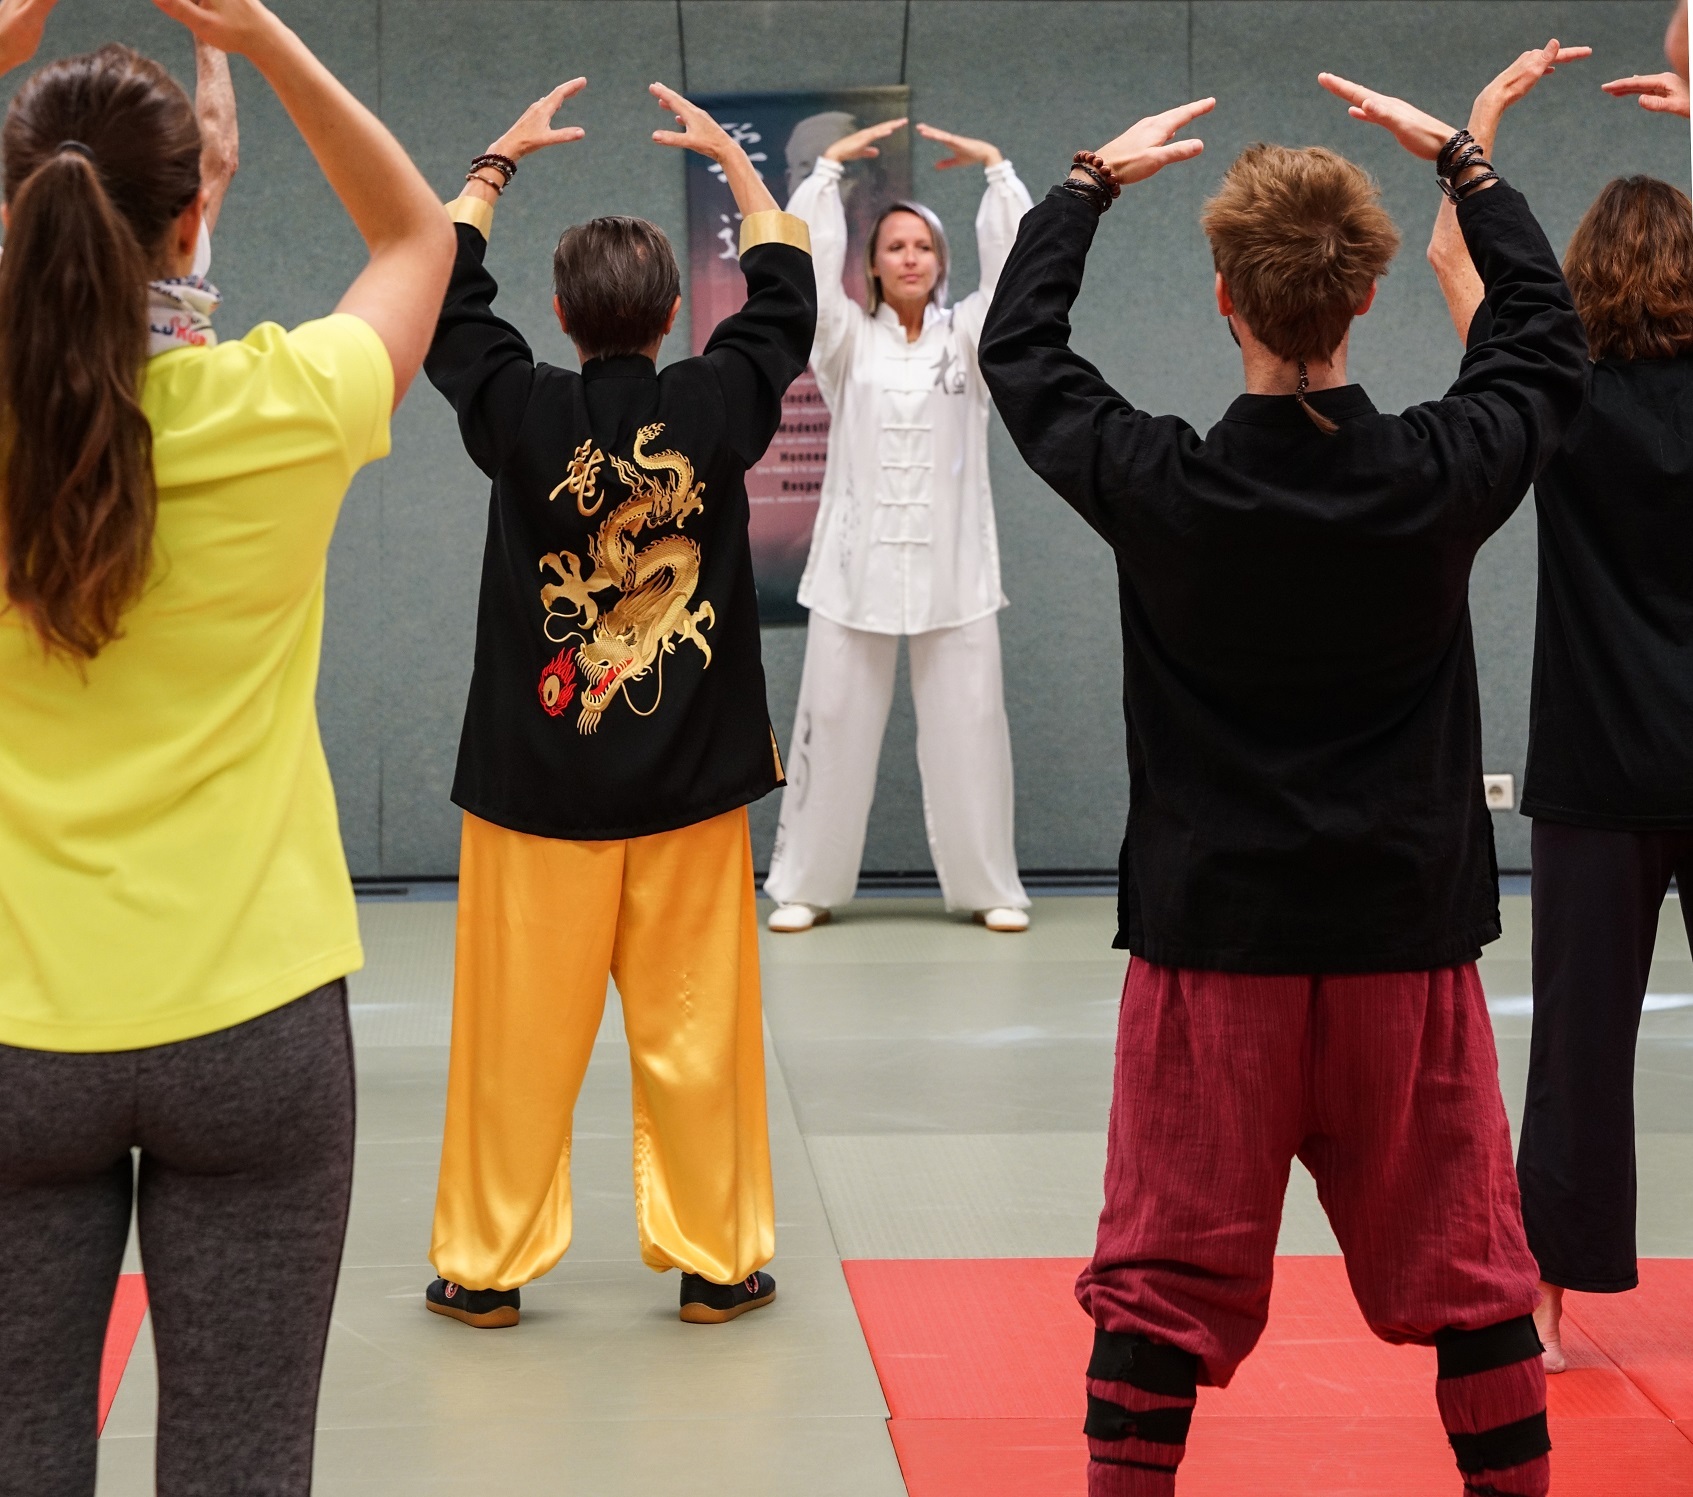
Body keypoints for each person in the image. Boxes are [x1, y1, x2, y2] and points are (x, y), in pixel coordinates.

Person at [980, 44, 1590, 1497]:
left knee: (1155, 1286)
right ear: (1368, 295)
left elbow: (1021, 353)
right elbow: (1543, 342)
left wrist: (1080, 186)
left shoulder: (1165, 486)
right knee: (1474, 1278)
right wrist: (1469, 162)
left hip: (1216, 953)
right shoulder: (1436, 473)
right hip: (1404, 950)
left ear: (1222, 300)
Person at [0, 0, 453, 1489]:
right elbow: (415, 242)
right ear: (194, 207)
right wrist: (260, 39)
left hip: (15, 1036)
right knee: (245, 1461)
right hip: (250, 1025)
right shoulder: (285, 407)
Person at [420, 80, 815, 1330]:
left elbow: (443, 298)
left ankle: (484, 1273)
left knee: (512, 1045)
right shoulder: (718, 403)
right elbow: (784, 307)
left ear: (559, 315)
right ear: (669, 315)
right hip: (689, 793)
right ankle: (715, 1261)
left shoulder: (518, 406)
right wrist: (744, 179)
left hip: (535, 786)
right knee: (697, 1036)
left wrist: (490, 166)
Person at [1428, 51, 1693, 1377]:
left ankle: (1539, 1306)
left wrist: (1476, 132)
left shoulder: (1558, 393)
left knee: (1577, 1055)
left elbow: (1449, 264)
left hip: (1596, 768)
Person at [763, 118, 1033, 934]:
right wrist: (827, 176)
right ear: (872, 263)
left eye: (922, 246)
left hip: (954, 573)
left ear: (940, 259)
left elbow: (1021, 278)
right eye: (894, 246)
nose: (909, 257)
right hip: (854, 572)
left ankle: (990, 887)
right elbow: (807, 274)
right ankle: (804, 883)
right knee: (832, 726)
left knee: (972, 731)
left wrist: (998, 171)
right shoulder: (846, 341)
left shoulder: (971, 336)